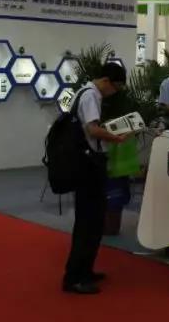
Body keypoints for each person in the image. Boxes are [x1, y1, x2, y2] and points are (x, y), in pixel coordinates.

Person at [63, 63, 131, 295]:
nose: (114, 92)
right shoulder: (91, 95)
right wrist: (116, 137)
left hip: (86, 163)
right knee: (88, 221)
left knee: (92, 220)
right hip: (88, 165)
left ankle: (85, 270)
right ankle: (75, 277)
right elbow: (92, 130)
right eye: (116, 87)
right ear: (106, 81)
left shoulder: (85, 92)